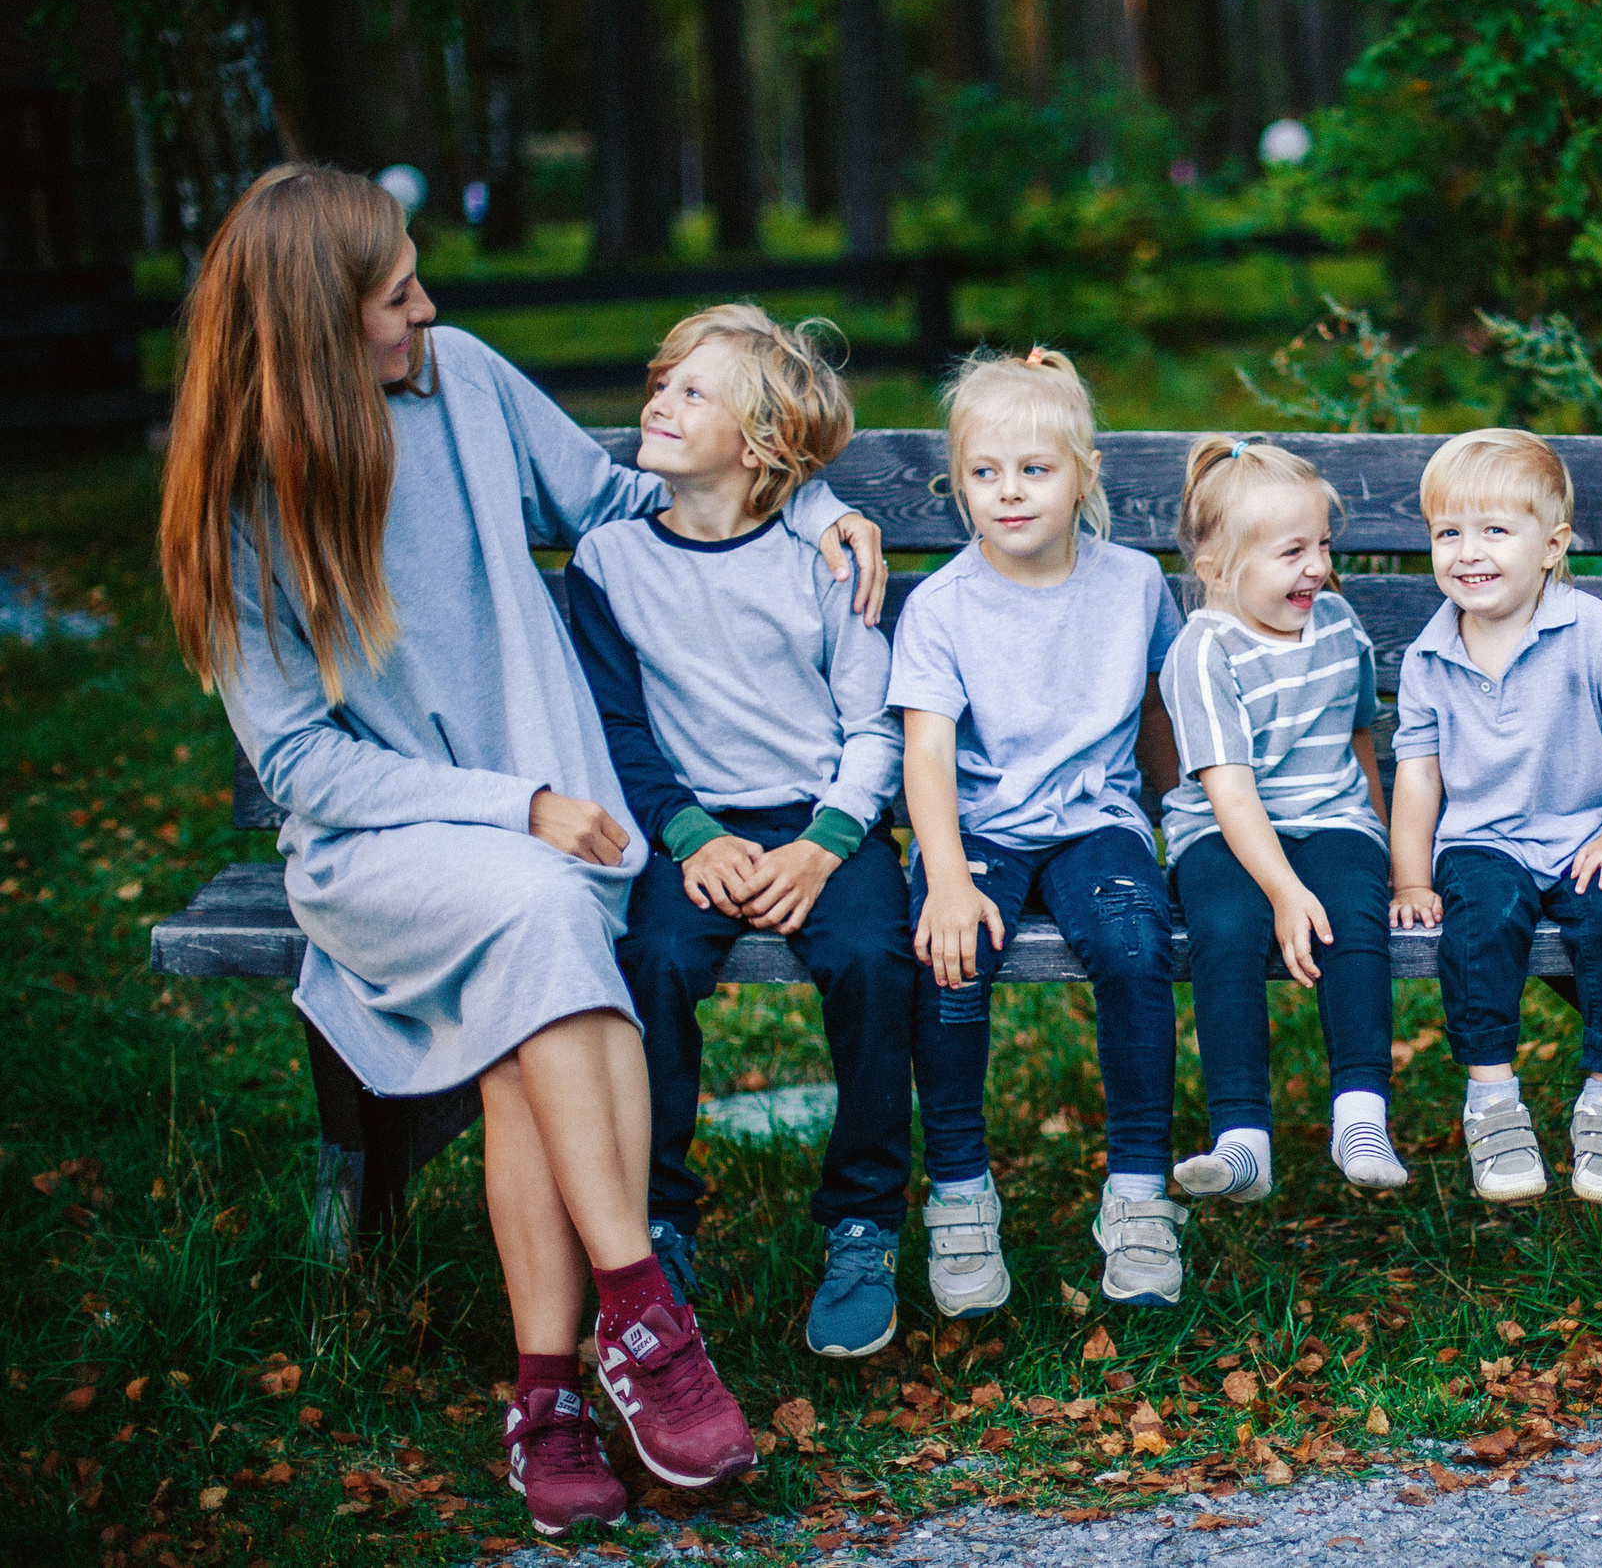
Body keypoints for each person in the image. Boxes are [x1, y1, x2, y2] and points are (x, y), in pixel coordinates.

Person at [155, 166, 886, 1539]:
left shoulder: (465, 380)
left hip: (565, 836)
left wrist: (810, 513)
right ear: (316, 324)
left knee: (523, 1030)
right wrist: (517, 806)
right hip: (389, 850)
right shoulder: (241, 497)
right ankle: (642, 1314)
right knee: (544, 913)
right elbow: (303, 763)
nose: (426, 309)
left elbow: (628, 504)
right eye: (395, 296)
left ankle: (545, 1397)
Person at [564, 305, 912, 1363]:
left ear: (761, 448)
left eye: (692, 393)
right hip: (690, 827)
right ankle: (659, 1222)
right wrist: (686, 835)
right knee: (654, 961)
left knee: (870, 959)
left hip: (821, 820)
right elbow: (616, 726)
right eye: (660, 384)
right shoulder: (611, 560)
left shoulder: (821, 557)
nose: (659, 405)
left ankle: (863, 1223)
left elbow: (872, 723)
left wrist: (826, 843)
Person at [890, 348, 1189, 1312]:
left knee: (1135, 942)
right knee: (952, 953)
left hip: (1096, 819)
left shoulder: (1136, 583)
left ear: (1084, 474)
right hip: (977, 826)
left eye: (1034, 470)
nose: (1009, 493)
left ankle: (1140, 1194)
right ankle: (961, 1190)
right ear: (959, 483)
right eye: (984, 473)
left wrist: (1180, 824)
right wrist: (942, 877)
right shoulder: (939, 606)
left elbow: (1160, 711)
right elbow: (927, 756)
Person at [1386, 429, 1602, 1208]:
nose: (1467, 552)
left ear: (1551, 546)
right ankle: (1493, 1100)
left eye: (1494, 531)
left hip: (1586, 834)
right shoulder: (1429, 655)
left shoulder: (1595, 631)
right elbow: (1418, 777)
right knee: (1480, 919)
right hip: (1483, 841)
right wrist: (1411, 876)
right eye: (1449, 533)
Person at [1158, 435, 1404, 1204]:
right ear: (1217, 569)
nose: (1317, 568)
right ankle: (1243, 1140)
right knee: (1227, 928)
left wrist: (1387, 845)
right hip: (1221, 829)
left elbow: (1359, 732)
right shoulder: (1203, 652)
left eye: (1323, 545)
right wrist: (1282, 890)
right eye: (1292, 551)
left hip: (1330, 816)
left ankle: (1361, 1116)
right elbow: (1229, 792)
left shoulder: (1337, 624)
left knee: (1354, 917)